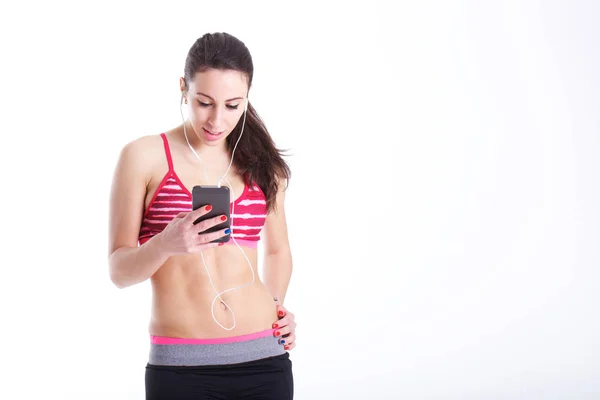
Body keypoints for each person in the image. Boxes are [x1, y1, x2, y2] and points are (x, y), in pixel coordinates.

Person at [108, 32, 296, 399]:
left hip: (264, 360)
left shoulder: (262, 165)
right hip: (181, 370)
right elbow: (118, 271)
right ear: (183, 88)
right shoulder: (143, 156)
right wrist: (166, 243)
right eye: (204, 102)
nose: (216, 120)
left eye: (232, 105)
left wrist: (277, 308)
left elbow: (277, 251)